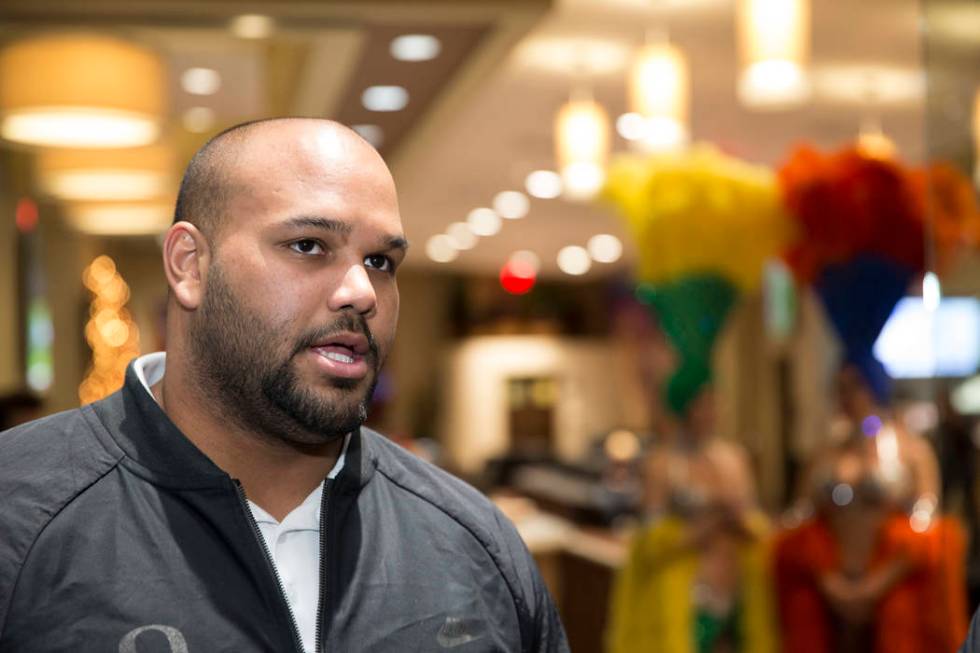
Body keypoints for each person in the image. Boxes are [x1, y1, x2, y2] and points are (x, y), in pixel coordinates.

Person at [0, 118, 567, 652]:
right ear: (189, 266)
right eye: (308, 246)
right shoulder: (19, 512)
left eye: (380, 261)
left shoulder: (475, 546)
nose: (361, 291)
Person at [775, 363, 967, 653]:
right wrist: (831, 583)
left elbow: (927, 533)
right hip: (833, 590)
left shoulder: (912, 452)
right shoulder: (823, 456)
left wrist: (876, 586)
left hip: (893, 590)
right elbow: (798, 526)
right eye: (840, 388)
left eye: (856, 386)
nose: (848, 397)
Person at [606, 385, 776, 653]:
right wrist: (705, 527)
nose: (707, 413)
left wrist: (739, 520)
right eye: (699, 405)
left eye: (712, 404)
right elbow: (649, 543)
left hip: (735, 591)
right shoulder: (663, 464)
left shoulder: (734, 458)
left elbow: (757, 526)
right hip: (690, 595)